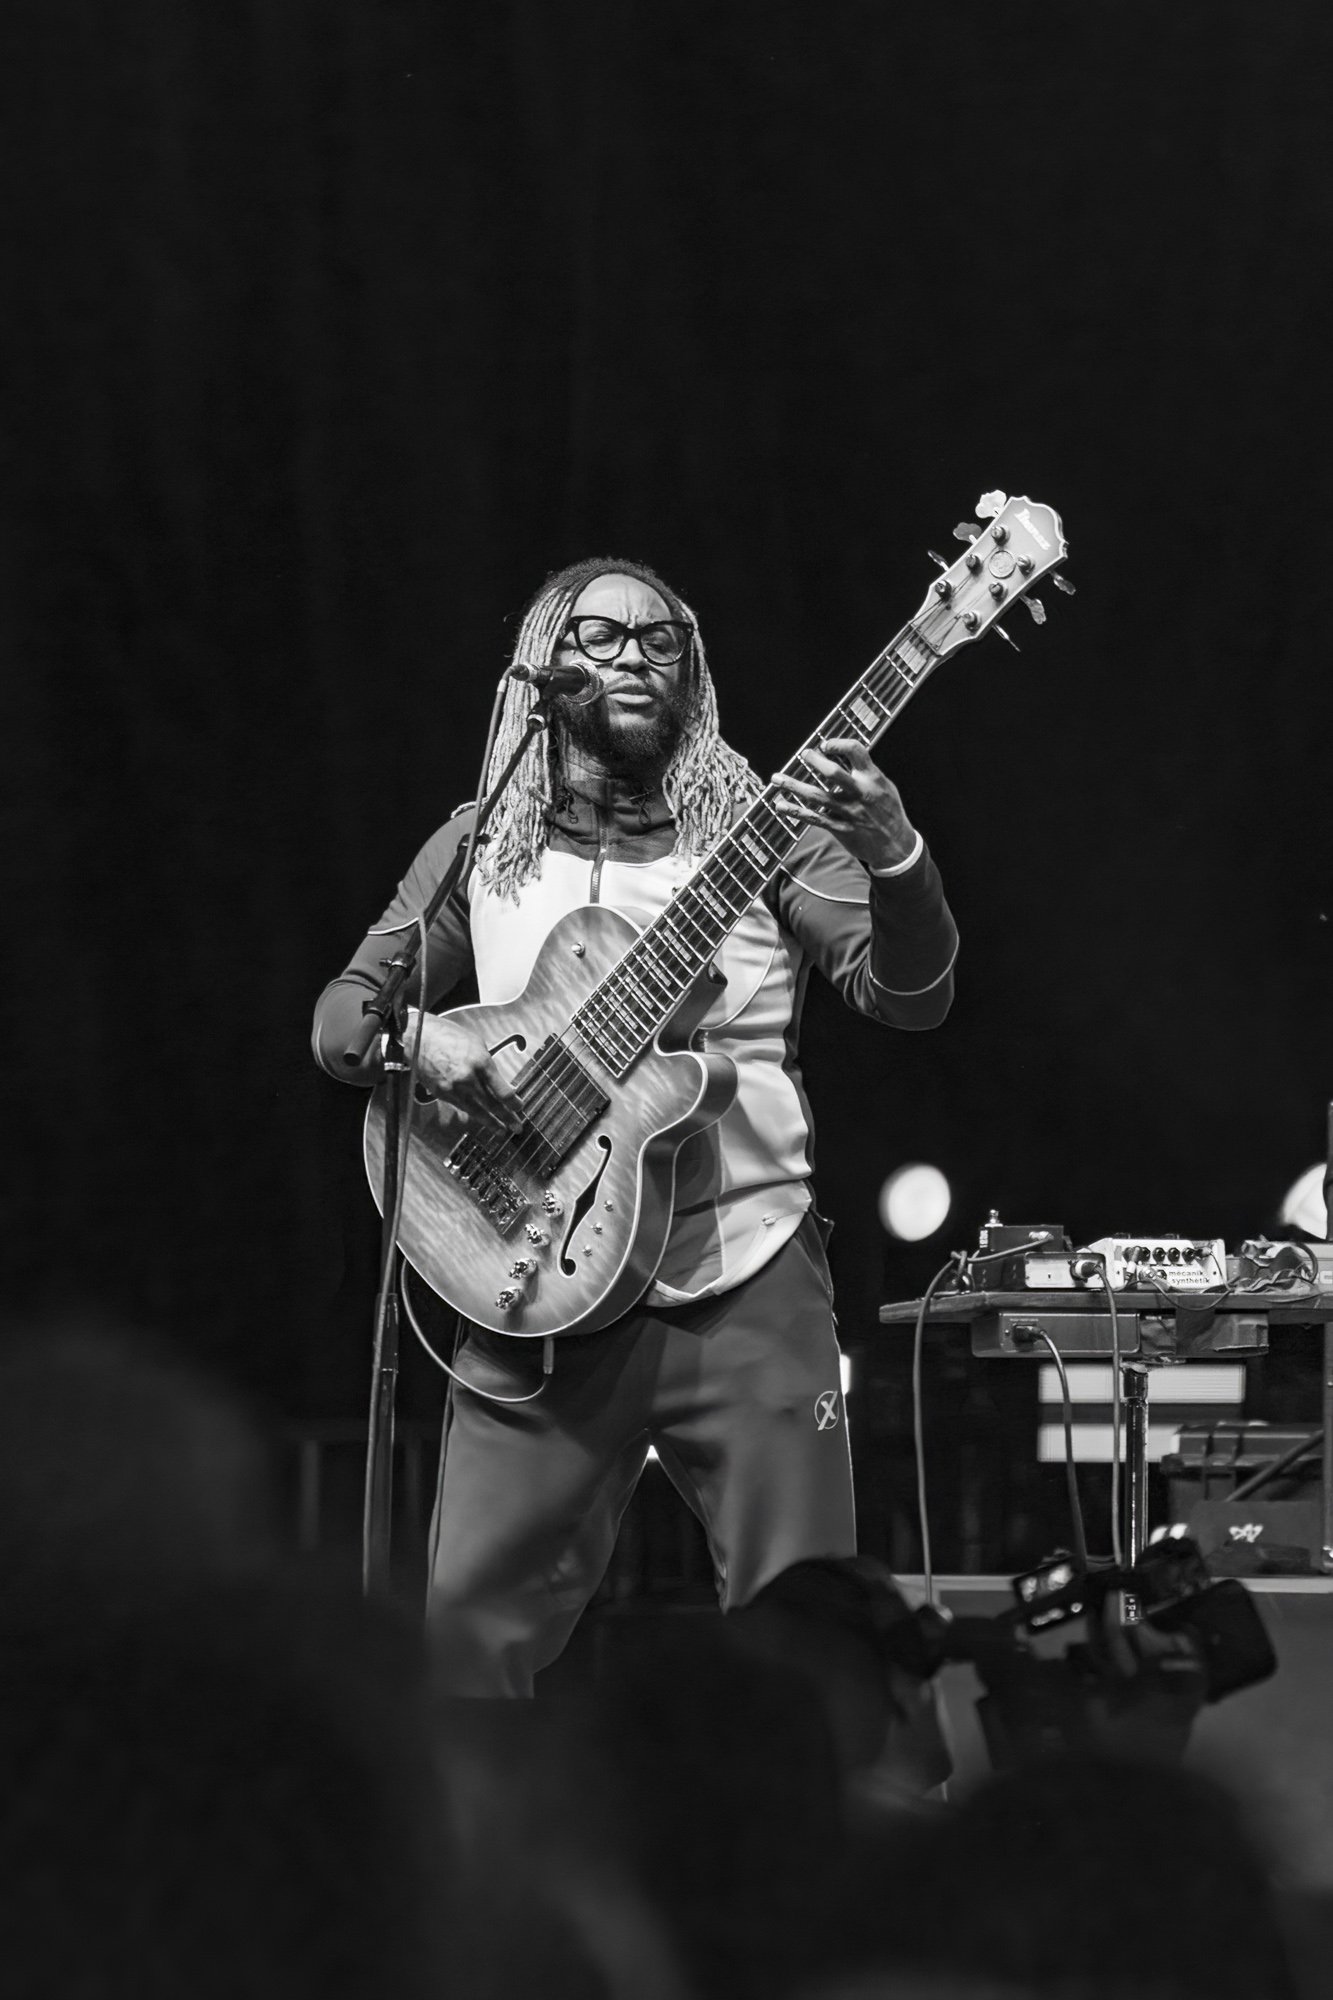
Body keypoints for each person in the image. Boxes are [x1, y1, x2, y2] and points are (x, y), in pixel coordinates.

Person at [312, 556, 959, 1696]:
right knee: (462, 1651)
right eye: (600, 638)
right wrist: (427, 1041)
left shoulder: (768, 833)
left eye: (662, 641)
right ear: (543, 668)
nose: (634, 659)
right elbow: (341, 1023)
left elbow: (910, 997)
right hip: (528, 1289)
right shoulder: (479, 847)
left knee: (821, 1649)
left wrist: (897, 856)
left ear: (692, 671)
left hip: (742, 1281)